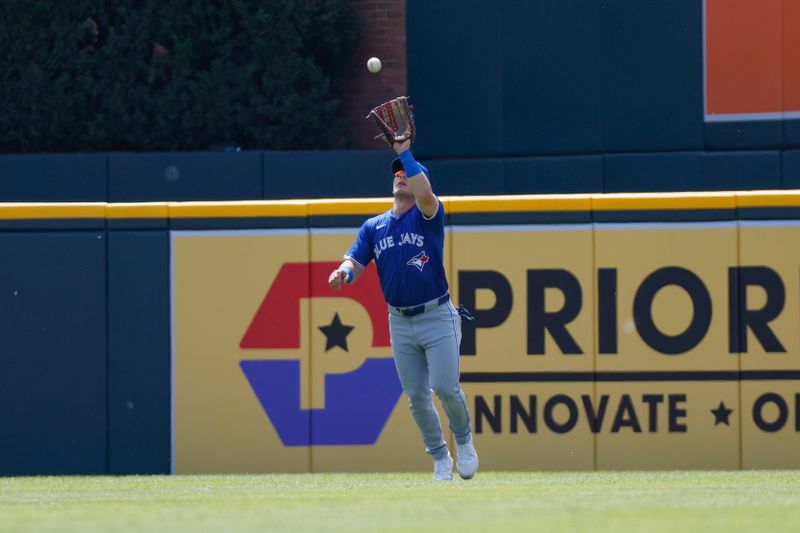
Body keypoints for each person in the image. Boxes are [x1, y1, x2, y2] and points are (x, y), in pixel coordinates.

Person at [327, 139, 478, 481]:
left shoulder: (428, 217)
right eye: (396, 174)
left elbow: (426, 194)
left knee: (445, 387)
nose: (400, 177)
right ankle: (440, 457)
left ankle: (464, 440)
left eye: (407, 175)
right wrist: (344, 273)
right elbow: (356, 259)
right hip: (399, 320)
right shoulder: (374, 226)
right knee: (416, 397)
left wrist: (405, 153)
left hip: (437, 315)